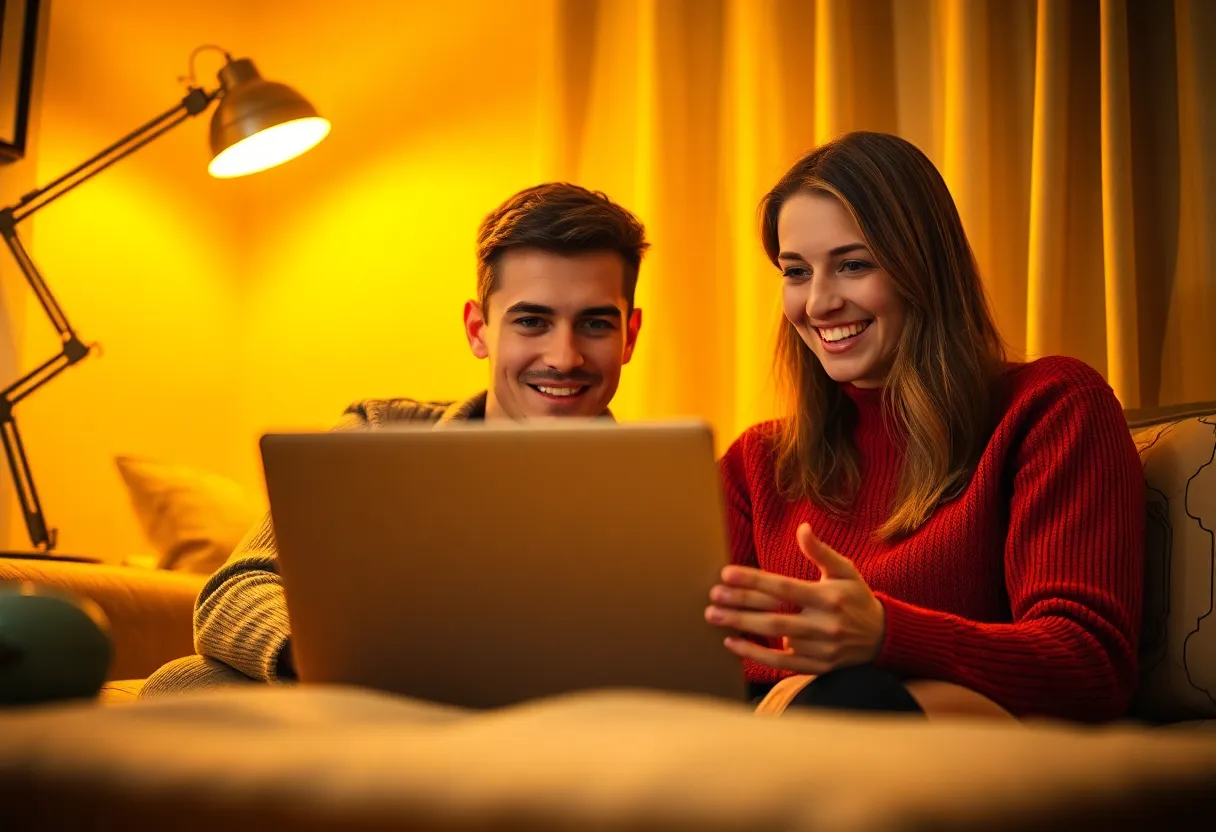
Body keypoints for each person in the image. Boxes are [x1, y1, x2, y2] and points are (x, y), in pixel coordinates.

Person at [706, 131, 1145, 722]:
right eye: (796, 272)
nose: (817, 304)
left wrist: (887, 633)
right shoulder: (754, 462)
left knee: (849, 702)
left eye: (854, 265)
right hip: (763, 745)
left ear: (925, 268)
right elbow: (703, 662)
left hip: (935, 757)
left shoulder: (1051, 407)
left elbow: (1089, 667)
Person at [142, 182, 648, 694]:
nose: (564, 357)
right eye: (532, 321)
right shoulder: (377, 434)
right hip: (366, 698)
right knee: (182, 682)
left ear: (629, 335)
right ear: (478, 330)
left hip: (557, 718)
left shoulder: (667, 491)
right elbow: (234, 590)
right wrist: (352, 662)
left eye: (594, 324)